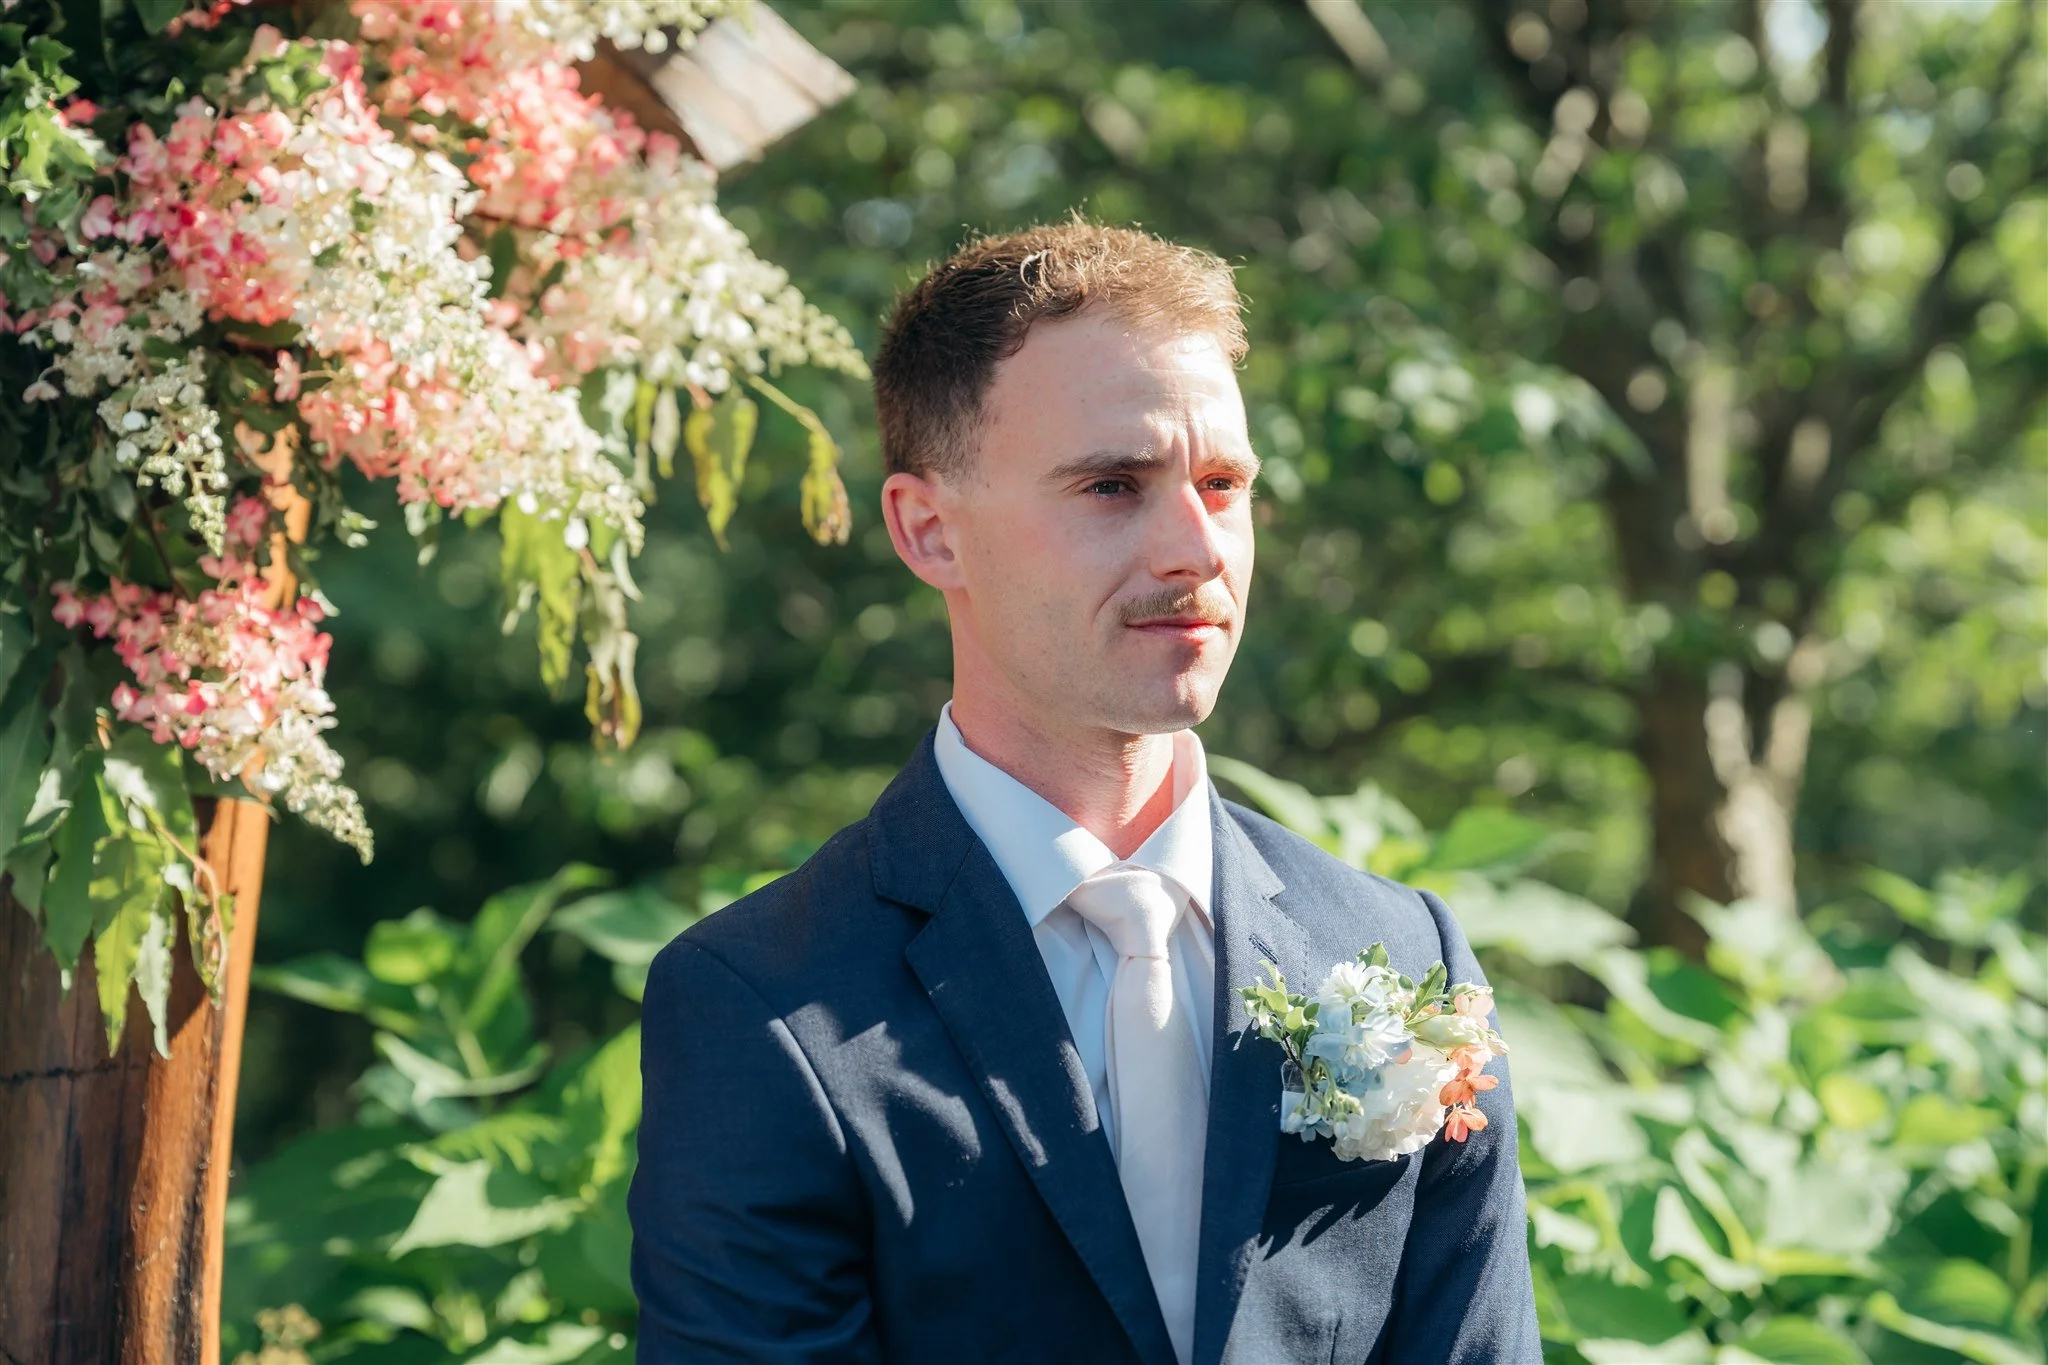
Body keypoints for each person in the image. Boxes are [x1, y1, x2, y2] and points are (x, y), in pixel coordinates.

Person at [628, 220, 1542, 1364]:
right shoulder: (762, 1005)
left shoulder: (1402, 951)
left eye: (1221, 482)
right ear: (927, 531)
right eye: (1112, 485)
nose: (1194, 550)